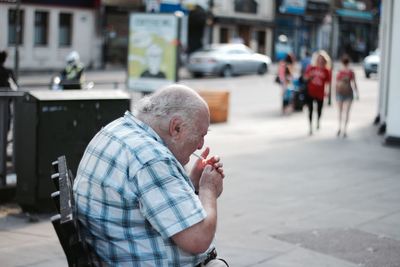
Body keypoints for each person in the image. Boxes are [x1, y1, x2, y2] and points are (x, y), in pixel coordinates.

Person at [73, 84, 228, 266]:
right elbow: (199, 238)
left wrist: (191, 183)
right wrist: (207, 189)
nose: (201, 145)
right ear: (176, 128)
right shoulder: (151, 159)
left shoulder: (118, 129)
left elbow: (153, 198)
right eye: (200, 135)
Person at [304, 50, 331, 135]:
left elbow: (328, 82)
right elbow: (305, 78)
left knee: (319, 109)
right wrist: (309, 77)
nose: (320, 61)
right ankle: (310, 127)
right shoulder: (311, 68)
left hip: (320, 93)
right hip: (311, 91)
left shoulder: (326, 70)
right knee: (310, 110)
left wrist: (327, 92)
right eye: (318, 59)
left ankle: (318, 121)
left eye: (322, 59)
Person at [335, 54, 359, 138]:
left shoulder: (340, 72)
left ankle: (339, 127)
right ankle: (344, 130)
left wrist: (335, 93)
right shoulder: (351, 72)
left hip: (341, 93)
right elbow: (354, 83)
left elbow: (336, 84)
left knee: (340, 112)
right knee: (347, 112)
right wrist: (357, 93)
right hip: (348, 93)